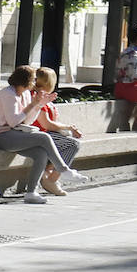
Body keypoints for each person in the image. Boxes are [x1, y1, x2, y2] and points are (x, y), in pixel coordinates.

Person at [0, 65, 87, 204]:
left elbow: (27, 121)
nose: (34, 83)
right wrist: (33, 105)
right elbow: (13, 122)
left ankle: (31, 192)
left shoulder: (24, 93)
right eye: (33, 80)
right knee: (44, 137)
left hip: (13, 133)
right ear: (25, 81)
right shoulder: (8, 94)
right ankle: (64, 170)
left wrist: (38, 105)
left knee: (40, 153)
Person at [30, 67, 85, 196]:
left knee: (69, 141)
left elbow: (53, 122)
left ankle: (48, 173)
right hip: (39, 134)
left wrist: (69, 129)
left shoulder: (46, 98)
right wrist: (67, 128)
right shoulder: (37, 97)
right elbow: (46, 124)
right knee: (72, 144)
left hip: (46, 133)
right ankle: (52, 179)